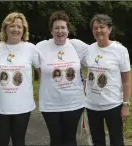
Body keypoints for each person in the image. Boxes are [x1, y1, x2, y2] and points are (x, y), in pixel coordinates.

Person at [36, 11, 89, 146]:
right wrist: (3, 44)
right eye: (56, 28)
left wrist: (112, 44)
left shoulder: (77, 46)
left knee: (70, 139)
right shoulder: (40, 47)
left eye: (63, 28)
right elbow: (21, 52)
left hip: (74, 103)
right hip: (50, 104)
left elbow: (97, 54)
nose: (60, 31)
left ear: (68, 29)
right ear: (51, 31)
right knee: (56, 139)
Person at [0, 12, 40, 146]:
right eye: (12, 26)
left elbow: (42, 71)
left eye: (19, 26)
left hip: (22, 107)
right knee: (1, 142)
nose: (16, 29)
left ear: (24, 30)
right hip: (1, 106)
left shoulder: (31, 48)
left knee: (19, 141)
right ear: (5, 28)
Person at [85, 14, 131, 146]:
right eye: (95, 28)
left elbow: (126, 80)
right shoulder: (89, 49)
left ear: (109, 29)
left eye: (102, 27)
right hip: (92, 105)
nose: (98, 30)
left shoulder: (120, 50)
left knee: (116, 141)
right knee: (97, 141)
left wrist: (126, 105)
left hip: (113, 105)